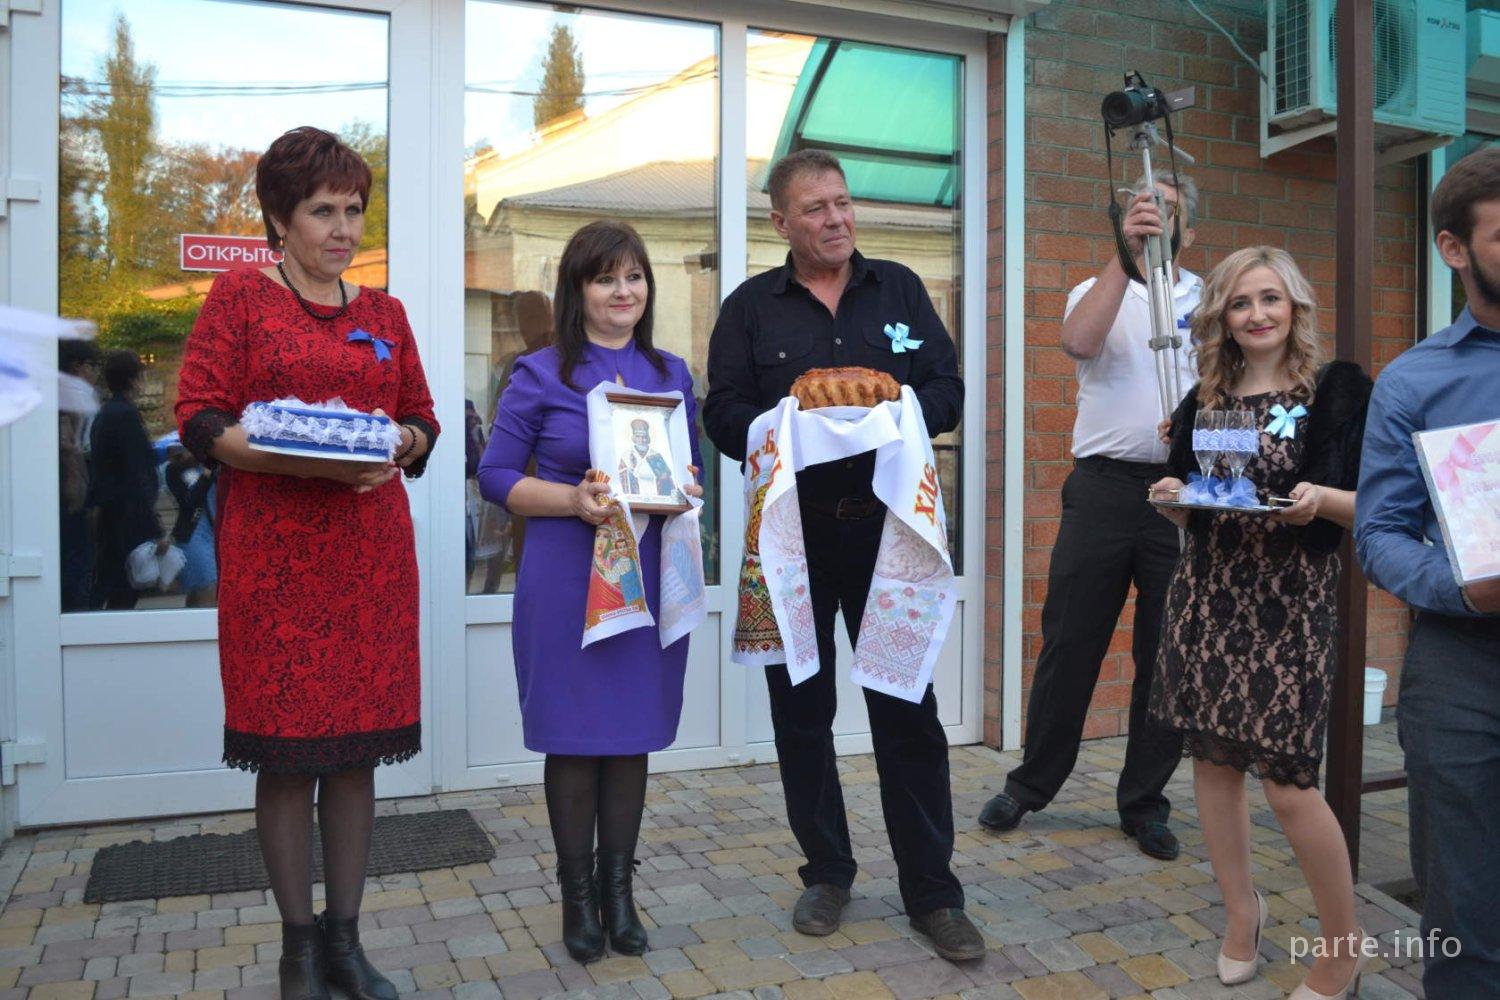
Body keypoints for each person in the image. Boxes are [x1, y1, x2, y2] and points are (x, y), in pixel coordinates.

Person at [175, 126, 438, 1000]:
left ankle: (345, 944)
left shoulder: (385, 315)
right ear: (279, 219)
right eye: (323, 211)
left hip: (370, 562)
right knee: (287, 758)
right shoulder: (240, 298)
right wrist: (298, 461)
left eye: (354, 210)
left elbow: (423, 418)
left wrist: (400, 441)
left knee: (354, 757)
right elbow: (199, 416)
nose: (343, 228)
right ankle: (297, 950)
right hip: (274, 562)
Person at [703, 150, 979, 960]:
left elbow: (948, 389)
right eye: (816, 208)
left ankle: (933, 892)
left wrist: (898, 408)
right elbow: (722, 414)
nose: (836, 219)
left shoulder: (899, 289)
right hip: (794, 538)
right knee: (801, 714)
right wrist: (784, 425)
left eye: (843, 203)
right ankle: (826, 871)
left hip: (888, 536)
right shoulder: (750, 308)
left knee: (907, 709)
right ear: (780, 223)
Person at [1148, 246, 1373, 1000]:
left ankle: (1342, 945)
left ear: (1295, 306)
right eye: (1240, 302)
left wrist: (1323, 500)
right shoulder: (1204, 397)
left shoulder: (1336, 392)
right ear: (1222, 316)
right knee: (1213, 766)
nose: (1256, 315)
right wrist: (1172, 499)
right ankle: (1242, 913)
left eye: (1270, 298)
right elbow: (1200, 498)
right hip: (1208, 598)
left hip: (1291, 605)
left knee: (1289, 785)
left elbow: (1378, 501)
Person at [477, 220, 703, 963]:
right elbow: (496, 477)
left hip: (647, 579)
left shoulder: (671, 373)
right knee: (575, 739)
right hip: (566, 577)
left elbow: (687, 470)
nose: (623, 291)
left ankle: (619, 893)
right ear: (578, 290)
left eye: (634, 277)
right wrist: (572, 501)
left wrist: (686, 488)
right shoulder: (539, 372)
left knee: (629, 736)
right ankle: (577, 897)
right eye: (606, 278)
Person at [978, 174, 1202, 860]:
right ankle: (1030, 785)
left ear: (1189, 229)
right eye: (1142, 207)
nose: (1153, 216)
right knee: (1070, 642)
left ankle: (1144, 803)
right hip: (1103, 488)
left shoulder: (1210, 298)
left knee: (1166, 652)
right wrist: (1125, 255)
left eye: (1168, 209)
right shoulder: (1096, 288)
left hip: (1180, 495)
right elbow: (1078, 342)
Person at [1356, 147, 1500, 997]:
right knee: (1463, 903)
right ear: (1454, 249)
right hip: (1461, 662)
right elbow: (1378, 533)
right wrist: (1459, 587)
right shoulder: (1415, 381)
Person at [89, 349, 163, 610]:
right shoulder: (126, 415)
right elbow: (136, 471)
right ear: (133, 379)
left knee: (110, 583)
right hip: (127, 515)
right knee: (125, 587)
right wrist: (154, 528)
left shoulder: (106, 413)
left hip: (110, 511)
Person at [58, 339, 101, 611]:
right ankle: (76, 609)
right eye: (93, 365)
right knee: (78, 553)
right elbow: (73, 442)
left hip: (73, 476)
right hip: (74, 478)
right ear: (78, 365)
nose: (96, 371)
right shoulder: (75, 392)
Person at [164, 446, 217, 607]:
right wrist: (206, 475)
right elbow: (189, 501)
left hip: (216, 534)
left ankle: (189, 621)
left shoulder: (219, 468)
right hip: (194, 535)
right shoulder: (176, 469)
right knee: (208, 586)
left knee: (197, 592)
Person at [618, 418, 674, 496]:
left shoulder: (655, 455)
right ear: (633, 438)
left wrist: (663, 476)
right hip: (635, 496)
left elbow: (666, 477)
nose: (641, 440)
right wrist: (631, 468)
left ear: (648, 438)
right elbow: (621, 476)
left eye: (644, 437)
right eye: (638, 436)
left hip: (656, 495)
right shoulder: (626, 455)